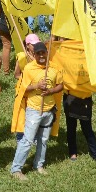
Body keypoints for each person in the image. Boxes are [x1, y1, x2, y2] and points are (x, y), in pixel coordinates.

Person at [10, 41, 62, 180]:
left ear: (47, 53)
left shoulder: (55, 67)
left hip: (49, 109)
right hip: (34, 110)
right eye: (38, 53)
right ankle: (16, 169)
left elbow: (61, 85)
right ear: (34, 54)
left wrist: (50, 90)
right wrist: (36, 86)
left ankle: (38, 165)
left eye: (43, 52)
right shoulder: (28, 68)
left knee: (43, 140)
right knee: (27, 140)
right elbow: (22, 88)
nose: (41, 56)